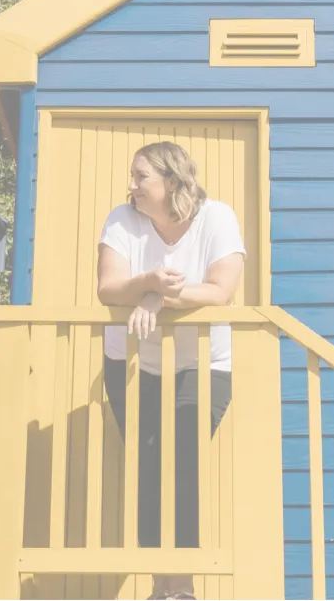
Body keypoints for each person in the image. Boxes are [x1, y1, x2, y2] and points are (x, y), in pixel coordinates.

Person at [95, 141, 246, 601]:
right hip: (134, 364)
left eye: (142, 177)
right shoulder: (124, 219)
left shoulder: (217, 218)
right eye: (133, 176)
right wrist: (148, 284)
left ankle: (180, 587)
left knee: (182, 465)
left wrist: (158, 298)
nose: (132, 185)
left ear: (173, 182)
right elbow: (107, 288)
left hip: (202, 367)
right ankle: (163, 587)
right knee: (148, 472)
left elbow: (221, 292)